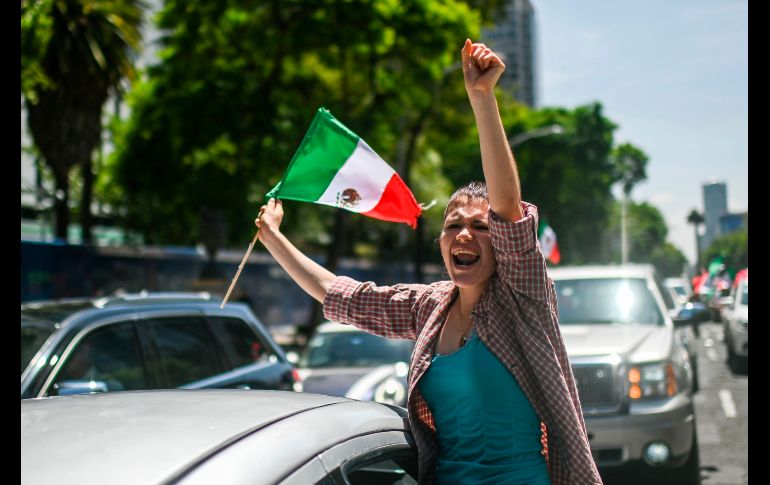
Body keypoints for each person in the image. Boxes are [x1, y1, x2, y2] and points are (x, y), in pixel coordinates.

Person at [255, 39, 601, 485]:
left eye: (480, 228)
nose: (464, 235)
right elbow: (340, 295)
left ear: (500, 244)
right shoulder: (429, 308)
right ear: (441, 244)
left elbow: (510, 211)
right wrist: (273, 238)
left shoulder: (522, 295)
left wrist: (482, 98)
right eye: (453, 225)